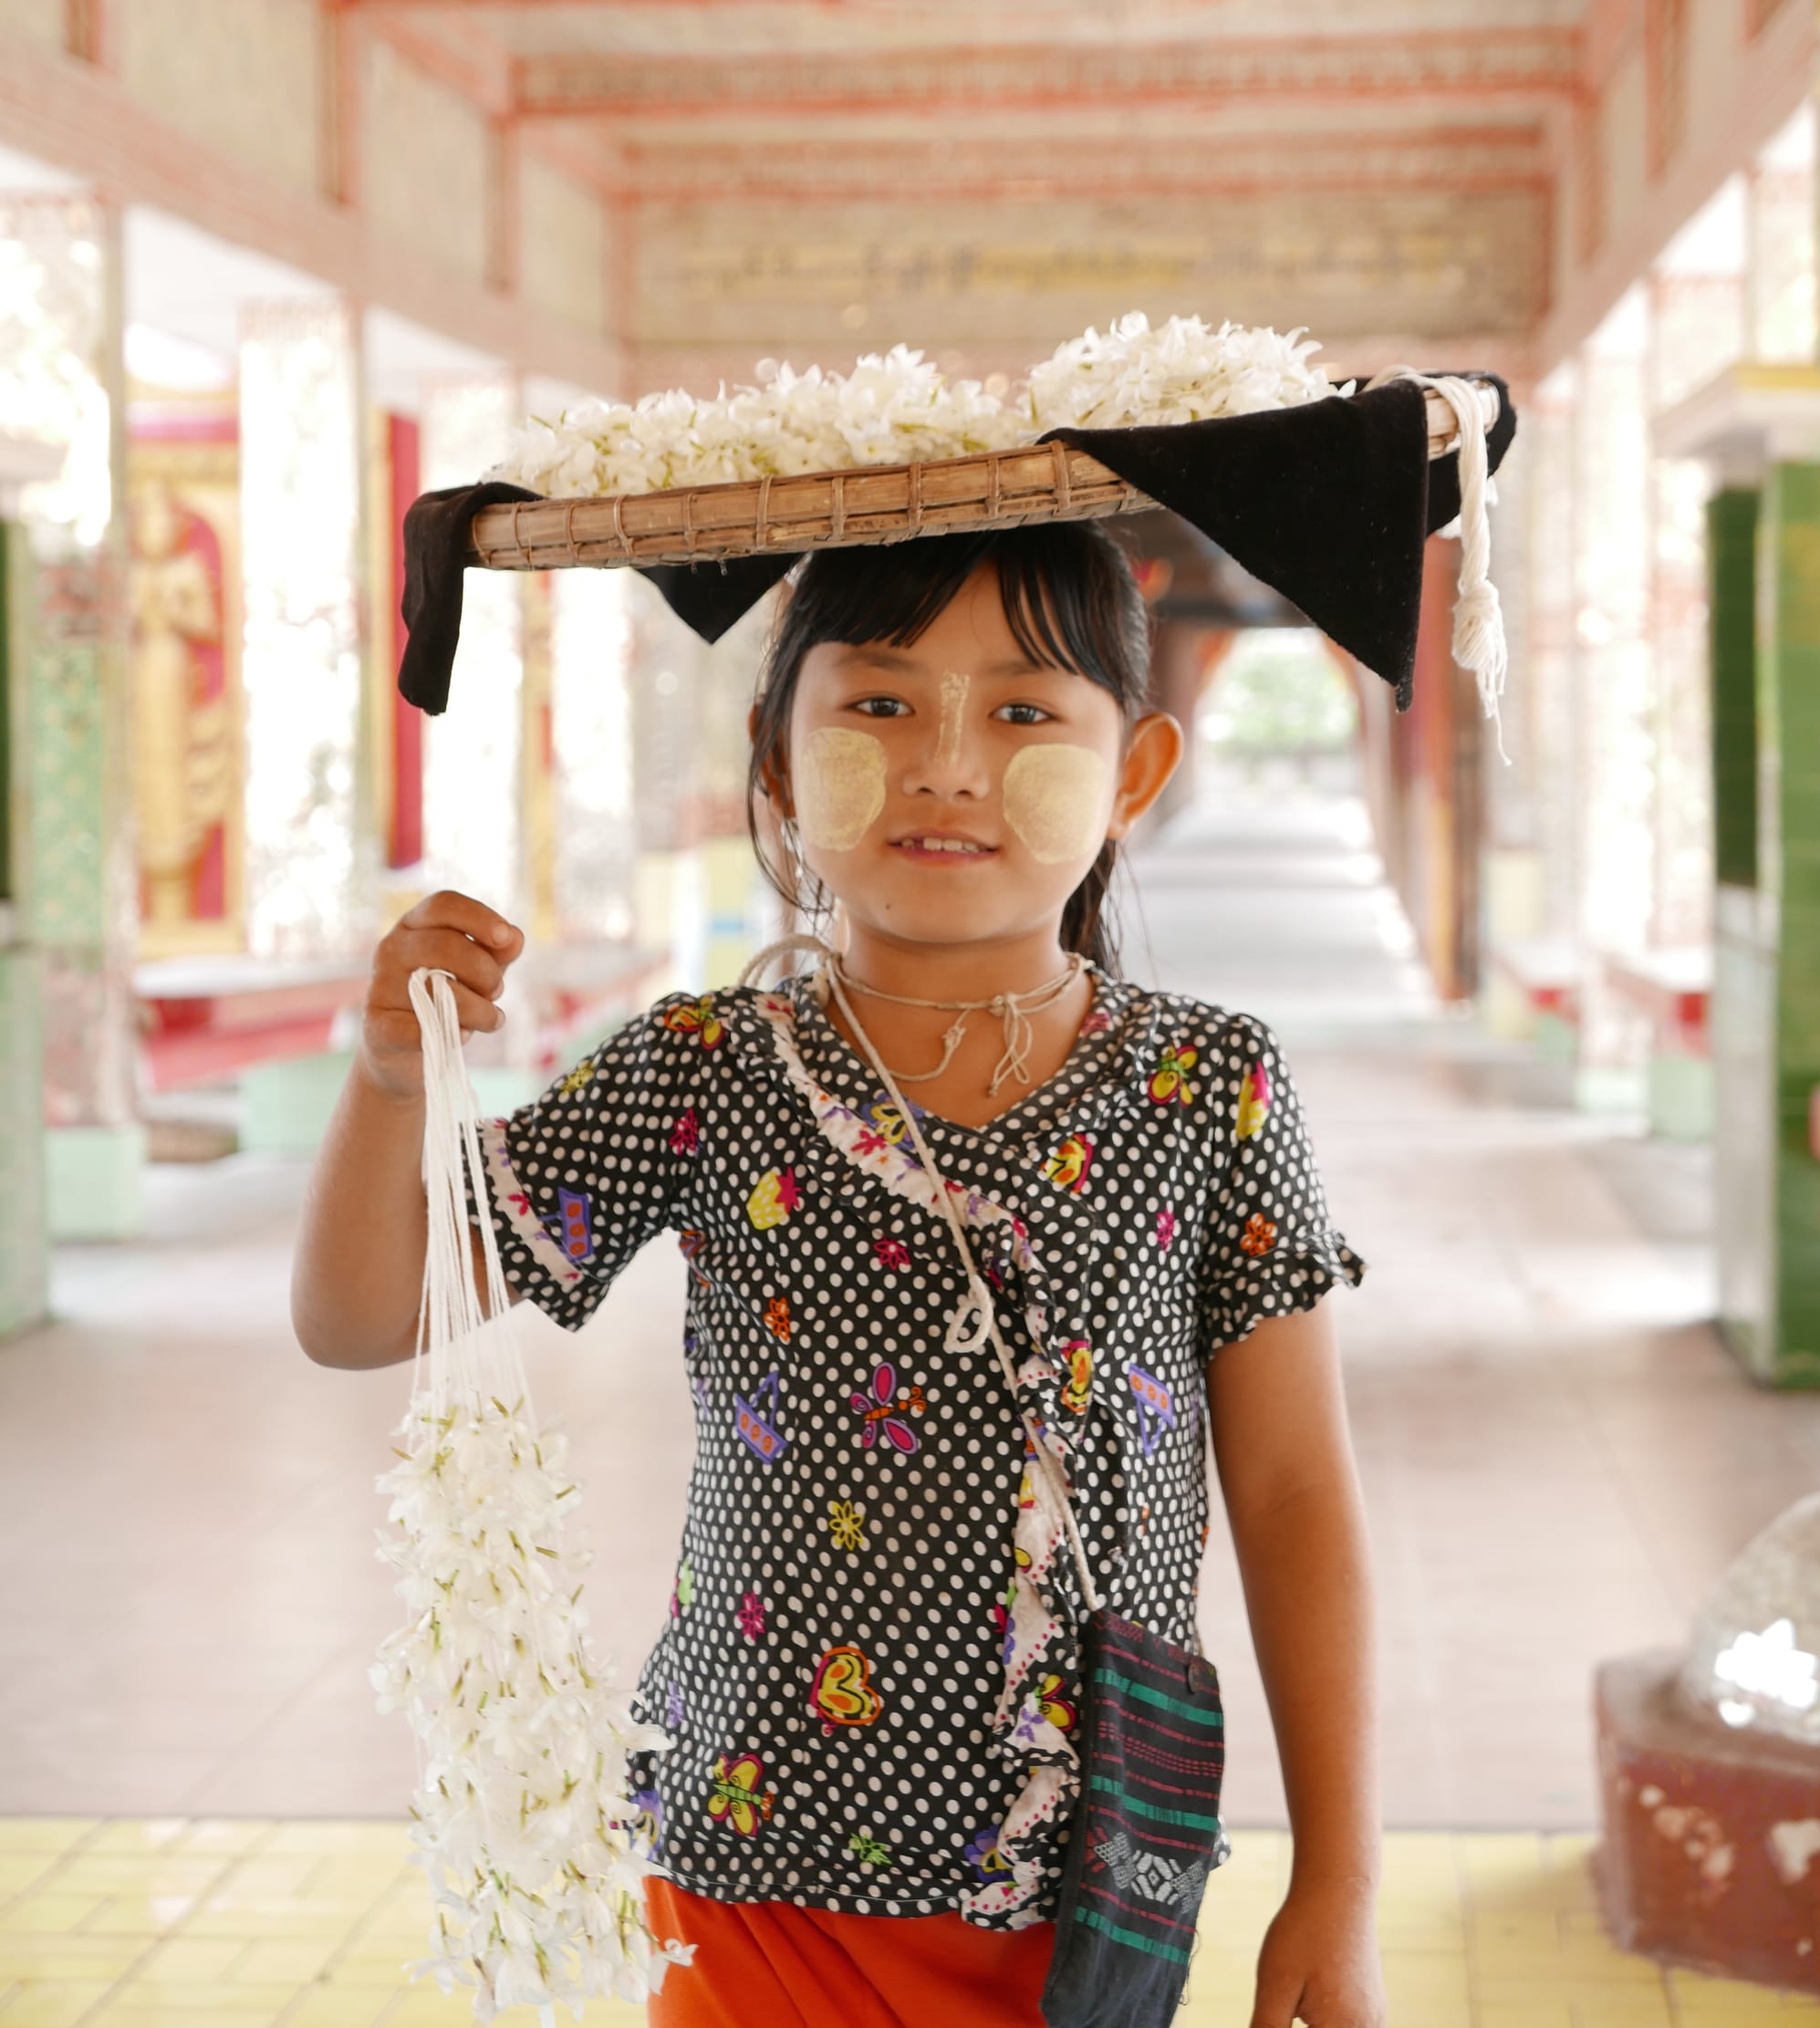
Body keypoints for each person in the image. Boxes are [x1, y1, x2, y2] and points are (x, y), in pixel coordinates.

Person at [294, 522, 1384, 2028]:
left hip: (1088, 1882)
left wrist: (1342, 1877)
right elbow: (356, 1315)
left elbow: (1293, 1494)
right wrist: (389, 1078)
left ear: (1132, 772)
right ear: (779, 762)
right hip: (754, 1880)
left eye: (1021, 711)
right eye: (879, 701)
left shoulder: (1208, 1087)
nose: (947, 762)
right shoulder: (707, 1070)